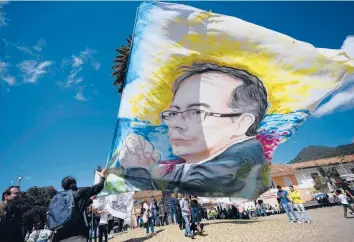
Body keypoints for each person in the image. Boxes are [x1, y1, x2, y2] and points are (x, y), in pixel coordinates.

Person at [112, 62, 269, 198]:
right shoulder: (194, 166)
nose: (175, 124)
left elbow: (204, 183)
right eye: (173, 113)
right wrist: (146, 168)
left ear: (242, 123)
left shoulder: (236, 167)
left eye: (197, 112)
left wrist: (138, 170)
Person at [54, 168, 107, 242]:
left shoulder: (60, 198)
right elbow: (99, 187)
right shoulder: (80, 192)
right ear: (74, 184)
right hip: (77, 234)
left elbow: (80, 205)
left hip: (60, 235)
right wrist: (102, 176)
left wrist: (91, 199)